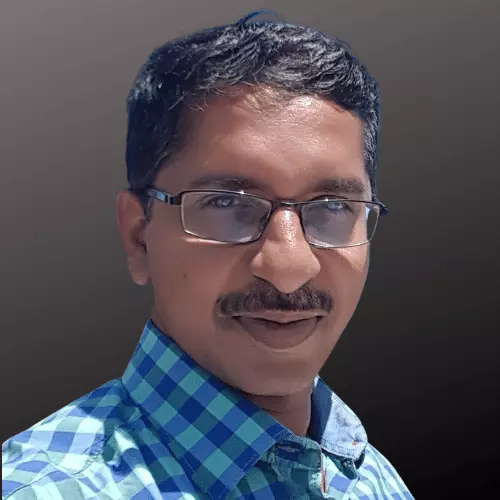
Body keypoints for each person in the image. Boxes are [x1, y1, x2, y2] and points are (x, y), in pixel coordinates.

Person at [2, 11, 414, 499]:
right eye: (228, 205)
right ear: (138, 236)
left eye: (332, 207)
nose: (288, 268)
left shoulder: (371, 478)